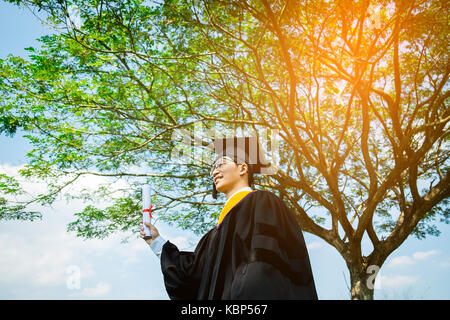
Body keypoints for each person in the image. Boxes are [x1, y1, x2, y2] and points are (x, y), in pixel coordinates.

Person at [140, 137, 318, 300]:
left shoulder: (263, 203)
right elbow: (191, 276)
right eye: (213, 168)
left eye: (221, 164)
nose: (214, 172)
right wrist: (155, 241)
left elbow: (267, 262)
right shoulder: (213, 235)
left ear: (243, 168)